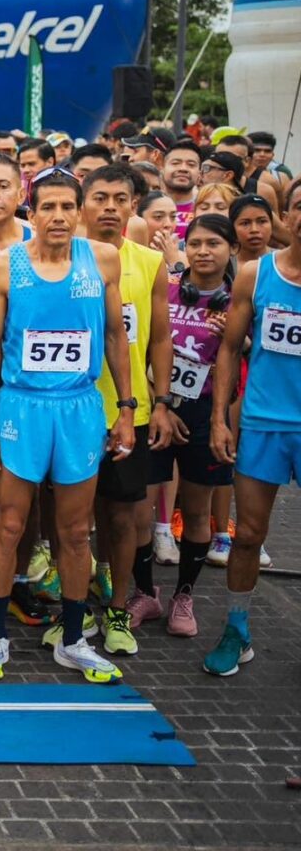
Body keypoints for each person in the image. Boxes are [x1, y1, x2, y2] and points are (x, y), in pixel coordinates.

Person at [0, 169, 133, 683]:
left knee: (74, 530)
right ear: (31, 212)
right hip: (21, 407)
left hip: (80, 408)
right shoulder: (4, 265)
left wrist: (126, 408)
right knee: (11, 524)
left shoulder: (103, 259)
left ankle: (72, 639)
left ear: (79, 211)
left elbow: (113, 338)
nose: (59, 217)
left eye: (68, 207)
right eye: (48, 208)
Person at [204, 180, 301, 676]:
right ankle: (236, 629)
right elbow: (227, 348)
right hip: (262, 422)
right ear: (289, 214)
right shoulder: (255, 274)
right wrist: (221, 417)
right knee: (248, 535)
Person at [82, 164, 176, 658]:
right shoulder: (60, 259)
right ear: (83, 204)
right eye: (100, 197)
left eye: (121, 198)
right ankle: (72, 614)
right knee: (72, 523)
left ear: (133, 205)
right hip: (71, 412)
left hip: (129, 414)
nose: (111, 207)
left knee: (121, 519)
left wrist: (160, 402)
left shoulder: (147, 262)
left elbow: (159, 337)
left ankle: (118, 609)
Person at [143, 213, 237, 638]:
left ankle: (184, 595)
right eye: (195, 243)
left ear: (230, 250)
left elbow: (239, 364)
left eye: (213, 244)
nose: (203, 251)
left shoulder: (238, 302)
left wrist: (241, 339)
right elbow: (146, 346)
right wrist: (158, 401)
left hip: (203, 415)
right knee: (138, 511)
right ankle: (145, 593)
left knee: (197, 511)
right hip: (158, 408)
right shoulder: (165, 289)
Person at [230, 193, 276, 266]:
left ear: (271, 224)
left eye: (262, 221)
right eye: (245, 223)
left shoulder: (285, 262)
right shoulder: (223, 265)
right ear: (232, 227)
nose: (254, 230)